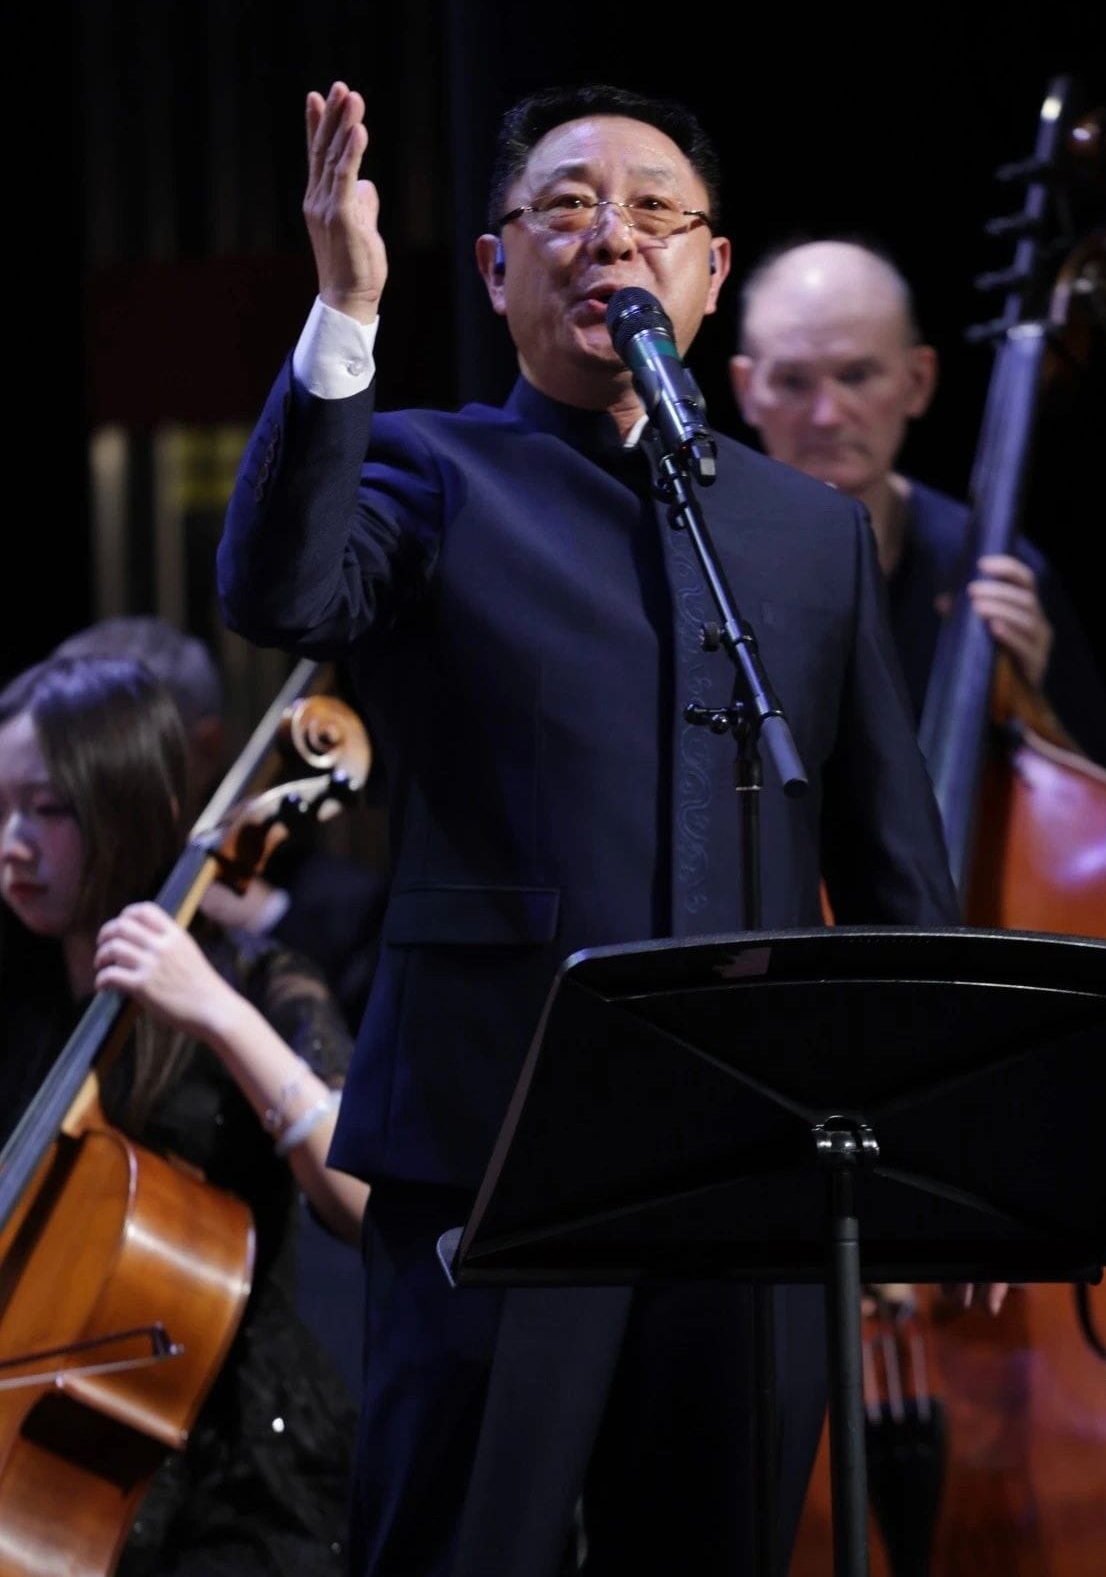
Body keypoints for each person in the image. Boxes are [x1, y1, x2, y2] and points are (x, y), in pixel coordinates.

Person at [215, 78, 974, 1577]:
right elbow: (279, 590)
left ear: (711, 268)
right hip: (495, 1154)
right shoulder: (433, 471)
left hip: (753, 1161)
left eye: (651, 210)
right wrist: (345, 310)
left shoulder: (805, 530)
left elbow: (894, 865)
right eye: (562, 205)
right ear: (496, 267)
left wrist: (929, 1158)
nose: (608, 234)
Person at [0, 653, 365, 1574]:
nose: (13, 842)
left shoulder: (253, 981)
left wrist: (219, 1013)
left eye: (46, 808)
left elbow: (362, 1196)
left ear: (128, 806)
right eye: (0, 808)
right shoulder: (22, 1003)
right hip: (70, 1459)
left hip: (239, 1477)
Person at [729, 237, 1106, 774]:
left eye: (857, 376)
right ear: (746, 389)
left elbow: (1102, 795)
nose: (827, 415)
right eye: (792, 381)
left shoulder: (995, 570)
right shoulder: (689, 566)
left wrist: (1034, 709)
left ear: (918, 381)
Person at [47, 613, 388, 1036]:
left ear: (205, 749)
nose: (80, 785)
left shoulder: (342, 907)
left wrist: (269, 917)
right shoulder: (46, 914)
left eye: (112, 755)